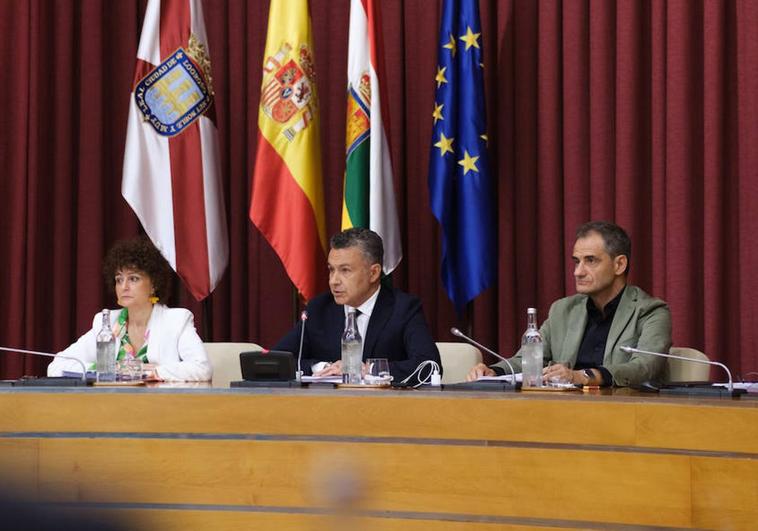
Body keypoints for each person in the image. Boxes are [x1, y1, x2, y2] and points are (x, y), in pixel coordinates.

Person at [467, 221, 672, 387]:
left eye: (590, 260)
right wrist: (494, 372)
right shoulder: (562, 310)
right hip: (561, 411)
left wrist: (584, 376)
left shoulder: (650, 311)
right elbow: (529, 360)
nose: (578, 272)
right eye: (576, 261)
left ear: (619, 264)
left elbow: (645, 367)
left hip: (622, 416)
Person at [274, 228, 441, 383]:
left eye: (345, 270)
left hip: (384, 409)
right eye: (331, 270)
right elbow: (275, 361)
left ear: (373, 273)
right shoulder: (320, 308)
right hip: (327, 409)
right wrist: (322, 367)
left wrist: (370, 370)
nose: (334, 281)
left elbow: (429, 366)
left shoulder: (403, 309)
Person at [47, 237, 212, 381]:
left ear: (154, 284)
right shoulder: (106, 323)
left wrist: (149, 372)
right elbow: (56, 366)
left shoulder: (176, 321)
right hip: (113, 407)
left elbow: (202, 368)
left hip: (162, 408)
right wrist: (108, 370)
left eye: (133, 279)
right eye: (119, 279)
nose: (124, 286)